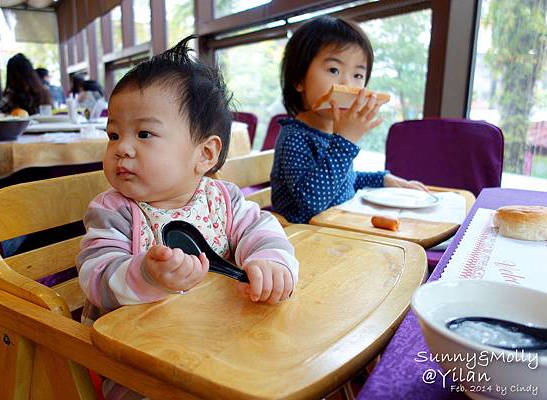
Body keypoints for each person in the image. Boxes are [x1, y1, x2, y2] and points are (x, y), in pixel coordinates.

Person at [76, 37, 299, 397]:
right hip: (136, 363)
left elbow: (262, 228)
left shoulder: (222, 200)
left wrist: (270, 261)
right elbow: (96, 276)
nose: (122, 148)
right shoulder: (114, 211)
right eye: (114, 134)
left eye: (144, 133)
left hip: (217, 339)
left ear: (205, 154)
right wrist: (148, 274)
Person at [270, 16, 427, 224]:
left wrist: (384, 179)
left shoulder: (329, 134)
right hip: (305, 241)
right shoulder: (295, 136)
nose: (347, 84)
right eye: (334, 70)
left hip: (337, 231)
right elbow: (312, 202)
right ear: (299, 79)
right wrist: (345, 140)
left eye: (358, 75)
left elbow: (343, 180)